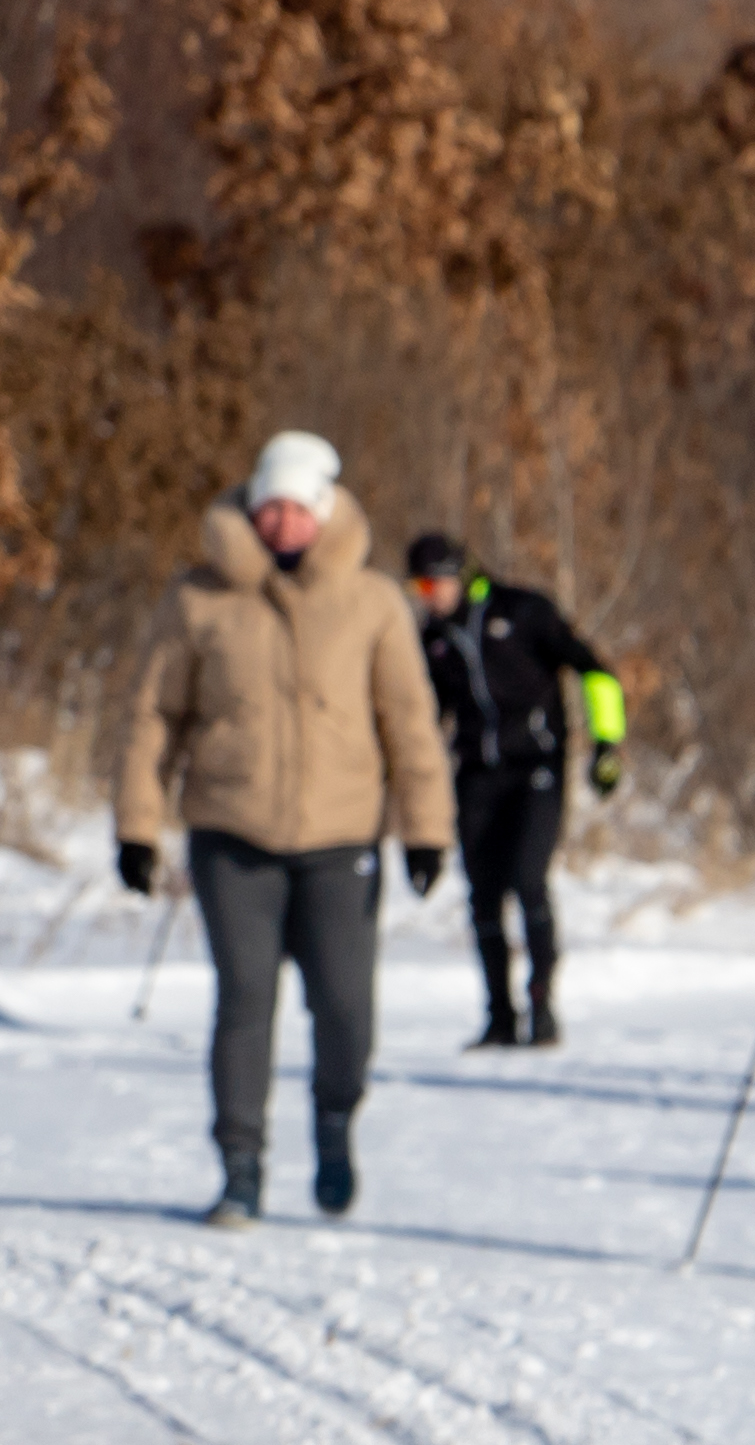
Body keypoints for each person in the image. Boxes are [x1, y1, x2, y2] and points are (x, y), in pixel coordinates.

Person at [113, 429, 448, 1227]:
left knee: (344, 1010)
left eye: (298, 509)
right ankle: (240, 1169)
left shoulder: (372, 602)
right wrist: (137, 824)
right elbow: (152, 716)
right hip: (233, 832)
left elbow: (409, 719)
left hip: (342, 836)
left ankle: (334, 1123)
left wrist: (426, 829)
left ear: (326, 511)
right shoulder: (198, 597)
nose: (282, 524)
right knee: (245, 1000)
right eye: (270, 508)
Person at [397, 527, 626, 1049]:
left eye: (433, 587)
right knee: (482, 895)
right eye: (418, 590)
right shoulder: (431, 640)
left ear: (460, 577)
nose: (428, 600)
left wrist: (606, 745)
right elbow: (423, 718)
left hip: (537, 768)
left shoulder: (522, 612)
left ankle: (542, 1006)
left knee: (527, 880)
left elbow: (595, 672)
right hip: (476, 773)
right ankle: (499, 1016)